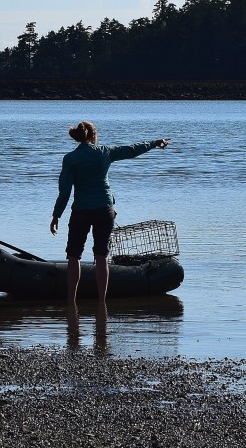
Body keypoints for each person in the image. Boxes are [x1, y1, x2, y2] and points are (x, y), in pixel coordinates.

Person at [50, 120, 169, 309]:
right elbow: (131, 150)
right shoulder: (104, 153)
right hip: (104, 210)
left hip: (81, 211)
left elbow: (64, 192)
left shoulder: (70, 158)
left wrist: (56, 216)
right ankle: (101, 303)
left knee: (73, 256)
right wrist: (154, 143)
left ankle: (71, 302)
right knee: (101, 256)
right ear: (93, 136)